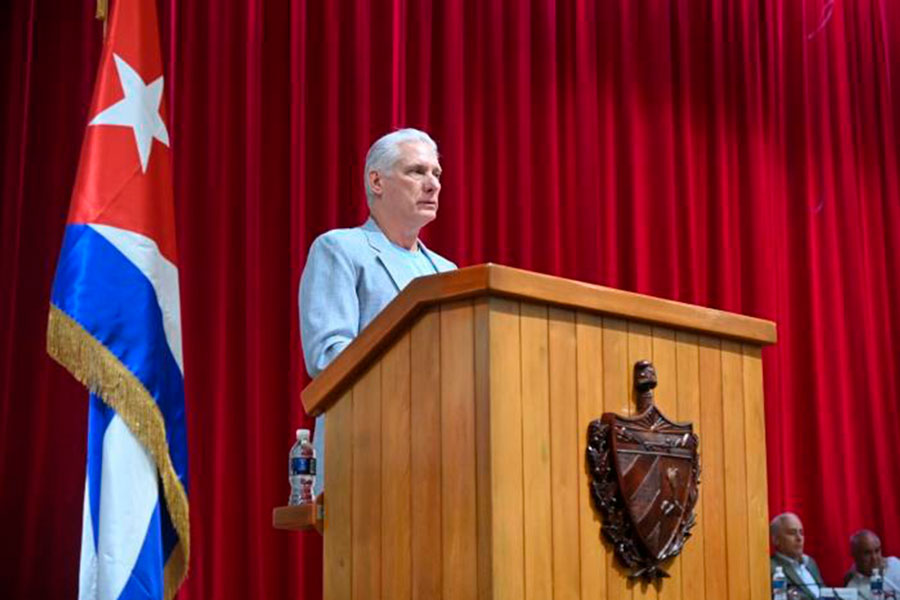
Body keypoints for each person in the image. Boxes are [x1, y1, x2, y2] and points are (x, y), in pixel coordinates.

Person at [298, 128, 456, 495]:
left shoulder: (447, 272)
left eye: (436, 173)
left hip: (440, 455)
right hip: (365, 451)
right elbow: (327, 356)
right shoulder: (341, 249)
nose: (432, 184)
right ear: (377, 181)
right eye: (417, 171)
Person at [770, 512, 825, 599]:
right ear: (776, 540)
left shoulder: (810, 563)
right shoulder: (772, 568)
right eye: (792, 533)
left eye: (801, 533)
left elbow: (826, 593)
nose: (799, 538)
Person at [845, 529, 900, 599]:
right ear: (855, 555)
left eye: (877, 551)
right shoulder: (853, 588)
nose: (874, 558)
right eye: (867, 553)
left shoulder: (894, 565)